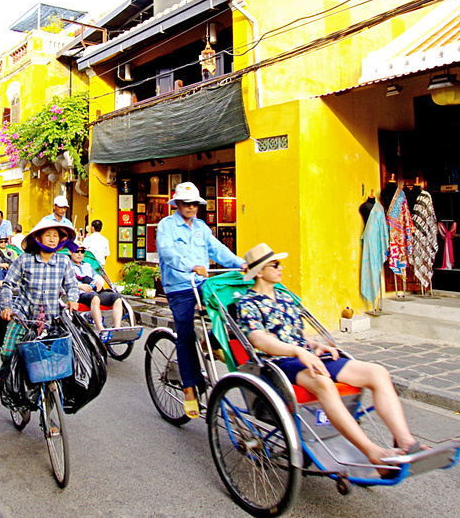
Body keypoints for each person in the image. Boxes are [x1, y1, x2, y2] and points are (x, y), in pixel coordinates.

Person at [236, 243, 422, 469]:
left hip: (307, 355)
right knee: (324, 383)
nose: (281, 268)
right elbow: (258, 339)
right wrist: (297, 351)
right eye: (275, 265)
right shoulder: (248, 302)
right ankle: (374, 453)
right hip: (279, 363)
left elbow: (299, 333)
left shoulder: (286, 298)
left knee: (377, 372)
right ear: (261, 271)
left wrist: (315, 344)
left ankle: (406, 442)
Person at [156, 182, 246, 418]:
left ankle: (214, 342)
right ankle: (189, 389)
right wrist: (191, 267)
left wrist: (241, 264)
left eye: (194, 203)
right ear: (177, 204)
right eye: (186, 203)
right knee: (185, 334)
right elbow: (167, 253)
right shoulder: (166, 226)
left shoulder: (202, 228)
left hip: (203, 283)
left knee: (235, 303)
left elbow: (218, 250)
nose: (191, 207)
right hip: (179, 286)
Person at [0, 219, 80, 367]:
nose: (52, 239)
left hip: (53, 319)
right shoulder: (24, 260)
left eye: (55, 235)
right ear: (38, 238)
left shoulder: (64, 261)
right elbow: (8, 284)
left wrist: (72, 299)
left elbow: (72, 285)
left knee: (65, 360)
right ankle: (5, 379)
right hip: (24, 317)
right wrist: (7, 306)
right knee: (8, 354)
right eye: (48, 235)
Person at [66, 246, 124, 335]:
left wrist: (99, 283)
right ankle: (101, 329)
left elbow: (97, 276)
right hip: (79, 294)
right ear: (70, 252)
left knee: (117, 297)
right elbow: (65, 281)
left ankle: (117, 329)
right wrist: (79, 285)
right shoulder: (67, 266)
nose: (79, 254)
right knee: (95, 297)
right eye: (77, 251)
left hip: (94, 291)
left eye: (82, 252)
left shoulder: (87, 266)